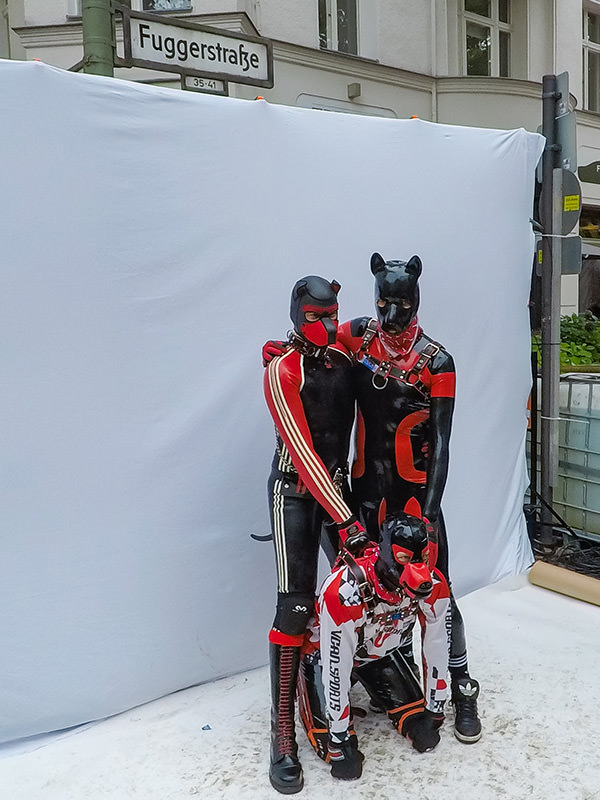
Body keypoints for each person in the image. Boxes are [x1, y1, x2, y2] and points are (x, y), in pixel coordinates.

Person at [336, 252, 481, 743]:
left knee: (438, 590)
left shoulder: (437, 360)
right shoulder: (358, 335)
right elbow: (320, 342)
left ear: (417, 296)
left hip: (414, 499)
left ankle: (461, 685)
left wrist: (433, 511)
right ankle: (359, 675)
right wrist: (286, 352)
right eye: (383, 302)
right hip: (363, 494)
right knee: (358, 585)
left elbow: (442, 440)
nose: (390, 314)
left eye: (401, 303)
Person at [263, 275, 369, 794]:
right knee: (296, 606)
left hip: (341, 489)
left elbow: (361, 333)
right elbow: (303, 453)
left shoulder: (342, 353)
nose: (326, 325)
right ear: (297, 314)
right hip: (295, 493)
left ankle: (355, 688)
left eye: (332, 316)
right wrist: (346, 521)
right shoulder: (283, 368)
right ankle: (283, 731)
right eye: (315, 317)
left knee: (364, 588)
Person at [298, 513, 451, 780]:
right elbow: (335, 667)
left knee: (423, 731)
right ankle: (325, 715)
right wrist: (340, 737)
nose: (418, 571)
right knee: (335, 751)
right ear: (386, 553)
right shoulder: (345, 591)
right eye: (404, 559)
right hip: (324, 656)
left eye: (422, 558)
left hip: (377, 652)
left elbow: (437, 644)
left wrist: (435, 709)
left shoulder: (434, 584)